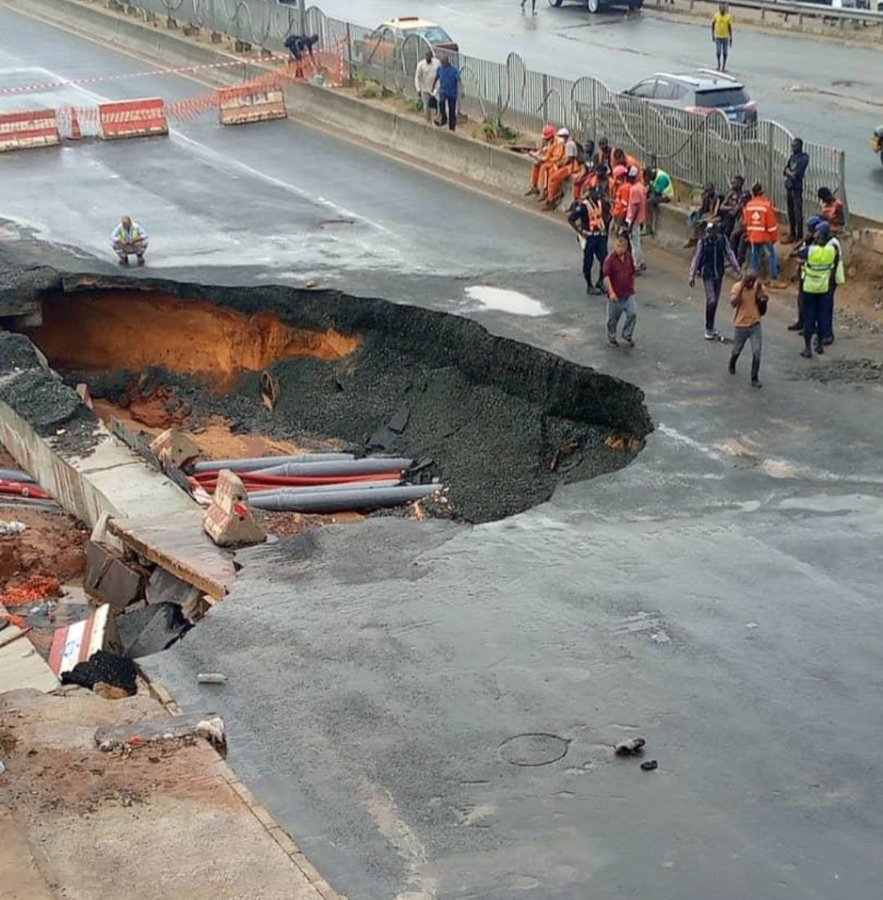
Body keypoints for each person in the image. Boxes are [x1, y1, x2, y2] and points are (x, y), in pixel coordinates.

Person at [690, 220, 741, 339]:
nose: (708, 235)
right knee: (711, 300)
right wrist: (692, 275)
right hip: (707, 274)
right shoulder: (703, 242)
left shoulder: (722, 240)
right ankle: (708, 328)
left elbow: (729, 254)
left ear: (716, 233)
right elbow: (697, 258)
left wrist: (737, 269)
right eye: (707, 232)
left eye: (711, 232)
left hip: (719, 274)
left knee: (715, 302)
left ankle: (711, 327)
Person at [799, 222, 837, 357]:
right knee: (822, 317)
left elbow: (796, 254)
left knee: (809, 319)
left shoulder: (810, 250)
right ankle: (820, 345)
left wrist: (806, 241)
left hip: (809, 289)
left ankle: (807, 348)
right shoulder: (832, 250)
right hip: (823, 288)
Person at [728, 269, 767, 388]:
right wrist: (742, 289)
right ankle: (732, 362)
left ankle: (754, 378)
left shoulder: (758, 287)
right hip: (741, 325)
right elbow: (733, 303)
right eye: (748, 281)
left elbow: (764, 302)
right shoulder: (737, 287)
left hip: (755, 323)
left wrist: (762, 297)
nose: (751, 284)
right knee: (737, 349)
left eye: (753, 281)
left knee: (757, 352)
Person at [569, 189, 608, 295]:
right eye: (595, 193)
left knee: (604, 260)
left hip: (600, 236)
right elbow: (571, 218)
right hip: (589, 237)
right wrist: (580, 232)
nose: (598, 196)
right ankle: (589, 285)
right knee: (588, 262)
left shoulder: (600, 203)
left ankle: (600, 282)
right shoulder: (583, 206)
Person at [787, 215, 823, 332]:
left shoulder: (818, 242)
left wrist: (797, 254)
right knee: (801, 300)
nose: (808, 230)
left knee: (810, 304)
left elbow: (801, 254)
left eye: (810, 228)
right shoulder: (809, 239)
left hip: (813, 278)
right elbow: (797, 250)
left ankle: (810, 326)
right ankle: (801, 322)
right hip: (804, 274)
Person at [602, 232, 638, 349]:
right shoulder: (610, 260)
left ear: (626, 247)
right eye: (617, 246)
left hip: (627, 293)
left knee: (632, 313)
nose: (619, 249)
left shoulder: (629, 257)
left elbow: (632, 272)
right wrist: (611, 292)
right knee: (612, 320)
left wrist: (632, 286)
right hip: (615, 295)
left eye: (621, 246)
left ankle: (627, 334)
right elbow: (606, 277)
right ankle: (612, 339)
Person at [742, 182, 779, 281]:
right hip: (765, 236)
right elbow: (771, 225)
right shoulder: (767, 205)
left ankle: (755, 275)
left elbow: (746, 222)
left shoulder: (749, 206)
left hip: (754, 235)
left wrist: (750, 236)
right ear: (762, 192)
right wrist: (774, 238)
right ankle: (773, 276)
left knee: (755, 254)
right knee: (771, 254)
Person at [544, 128, 582, 209]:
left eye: (561, 137)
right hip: (569, 166)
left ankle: (552, 200)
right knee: (552, 174)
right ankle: (551, 196)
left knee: (553, 178)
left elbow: (569, 159)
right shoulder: (568, 143)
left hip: (571, 167)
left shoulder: (569, 144)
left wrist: (560, 164)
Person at [821, 224, 846, 345]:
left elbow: (832, 267)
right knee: (824, 308)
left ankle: (827, 335)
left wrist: (827, 282)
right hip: (827, 281)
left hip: (830, 281)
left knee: (826, 308)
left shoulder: (832, 245)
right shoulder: (831, 242)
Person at [783, 138, 809, 243]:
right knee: (790, 212)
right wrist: (789, 173)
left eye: (795, 146)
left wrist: (789, 172)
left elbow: (796, 175)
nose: (793, 148)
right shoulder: (792, 157)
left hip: (797, 188)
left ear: (800, 146)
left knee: (798, 212)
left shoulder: (804, 158)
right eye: (792, 145)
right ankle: (792, 233)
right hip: (789, 187)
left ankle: (799, 235)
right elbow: (784, 170)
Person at [625, 166, 648, 271]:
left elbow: (635, 208)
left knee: (634, 244)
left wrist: (630, 224)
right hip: (641, 218)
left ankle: (636, 265)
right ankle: (641, 262)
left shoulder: (634, 190)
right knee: (637, 241)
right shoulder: (641, 187)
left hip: (634, 220)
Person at [686, 182, 721, 247]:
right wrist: (698, 215)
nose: (707, 193)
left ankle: (707, 241)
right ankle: (694, 239)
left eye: (708, 191)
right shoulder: (706, 197)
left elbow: (715, 213)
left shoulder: (717, 198)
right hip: (708, 214)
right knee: (696, 221)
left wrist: (705, 219)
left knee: (709, 223)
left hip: (717, 216)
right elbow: (703, 208)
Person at [433, 56, 462, 132]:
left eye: (444, 63)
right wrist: (433, 86)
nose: (443, 65)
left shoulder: (454, 70)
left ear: (447, 63)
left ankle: (452, 127)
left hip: (452, 93)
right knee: (441, 104)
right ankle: (443, 119)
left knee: (452, 111)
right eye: (442, 63)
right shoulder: (440, 69)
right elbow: (436, 77)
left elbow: (459, 81)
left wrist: (462, 90)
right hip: (443, 91)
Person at [526, 125, 555, 196]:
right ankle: (534, 186)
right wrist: (536, 154)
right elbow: (543, 151)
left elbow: (549, 157)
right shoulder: (549, 143)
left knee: (543, 167)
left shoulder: (556, 144)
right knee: (536, 164)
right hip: (549, 159)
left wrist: (538, 157)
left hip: (554, 162)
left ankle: (544, 190)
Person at [645, 167, 674, 234]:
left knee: (649, 202)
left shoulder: (661, 177)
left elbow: (657, 191)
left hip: (666, 196)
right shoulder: (654, 175)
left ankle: (651, 226)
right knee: (647, 198)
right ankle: (649, 225)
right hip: (659, 194)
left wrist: (650, 192)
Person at [414, 50, 440, 124]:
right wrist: (418, 89)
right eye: (426, 57)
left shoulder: (437, 63)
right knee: (427, 107)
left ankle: (438, 120)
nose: (427, 58)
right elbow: (417, 77)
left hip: (435, 88)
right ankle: (428, 122)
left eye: (429, 56)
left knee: (439, 104)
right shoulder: (421, 65)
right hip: (425, 89)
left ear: (431, 57)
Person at [711, 3, 734, 72]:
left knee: (725, 53)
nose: (722, 11)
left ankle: (723, 67)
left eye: (723, 9)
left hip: (725, 37)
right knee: (718, 51)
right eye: (721, 9)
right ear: (719, 9)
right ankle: (719, 64)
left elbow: (730, 27)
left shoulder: (728, 17)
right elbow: (713, 24)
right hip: (718, 36)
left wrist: (731, 38)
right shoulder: (716, 15)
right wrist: (712, 34)